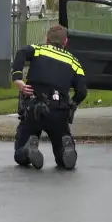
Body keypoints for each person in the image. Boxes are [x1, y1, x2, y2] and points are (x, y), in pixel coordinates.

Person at [11, 25, 88, 170]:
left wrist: (18, 80)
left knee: (19, 154)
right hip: (59, 112)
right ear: (65, 42)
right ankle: (64, 148)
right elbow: (82, 91)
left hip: (34, 108)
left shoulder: (38, 50)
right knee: (61, 156)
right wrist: (72, 104)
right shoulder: (74, 62)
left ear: (47, 39)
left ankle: (27, 150)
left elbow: (21, 52)